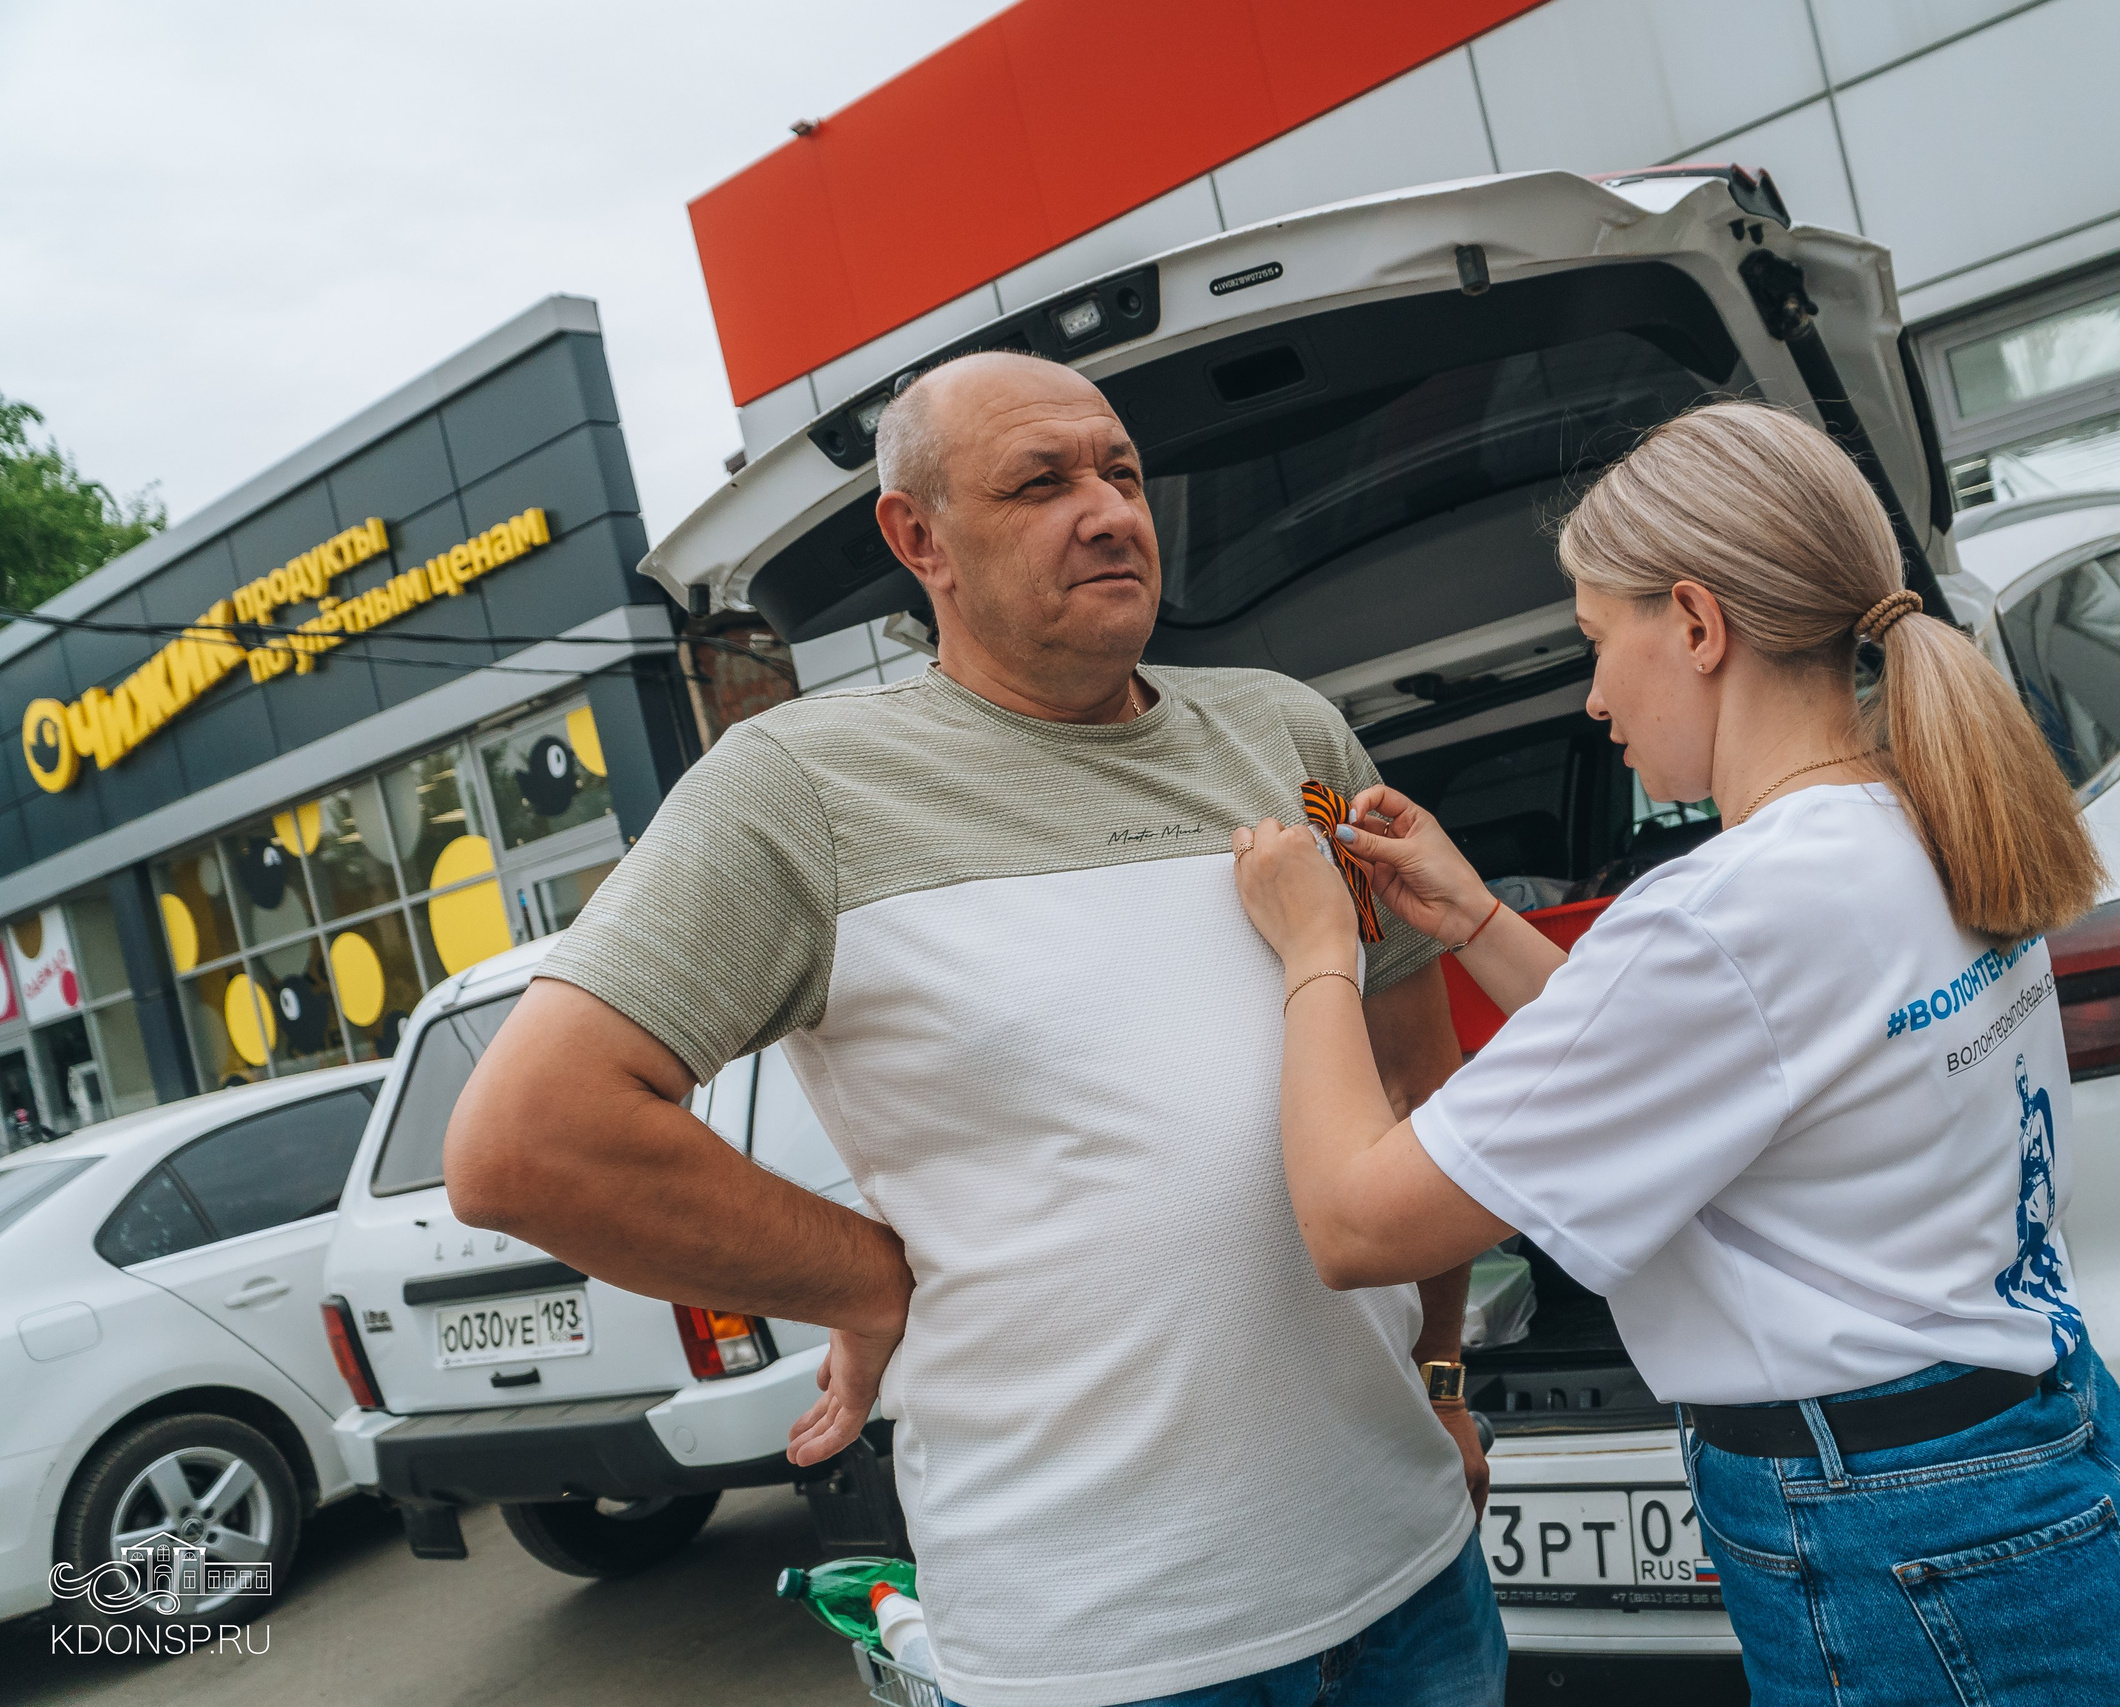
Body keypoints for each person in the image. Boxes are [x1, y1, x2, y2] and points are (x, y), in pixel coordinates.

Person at [443, 351, 1505, 1707]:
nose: (1111, 510)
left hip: (1414, 1579)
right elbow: (530, 1143)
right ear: (918, 539)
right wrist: (873, 1281)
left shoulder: (1288, 734)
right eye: (1041, 482)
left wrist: (1444, 1368)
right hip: (1111, 1651)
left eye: (1120, 471)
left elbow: (1419, 1089)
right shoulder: (798, 789)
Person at [1229, 402, 2120, 1702]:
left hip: (1915, 1559)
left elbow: (1357, 1225)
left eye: (1597, 641)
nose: (1593, 698)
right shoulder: (1916, 819)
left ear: (1696, 624)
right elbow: (1717, 1054)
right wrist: (1473, 920)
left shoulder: (1724, 915)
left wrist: (1317, 947)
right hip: (2058, 1485)